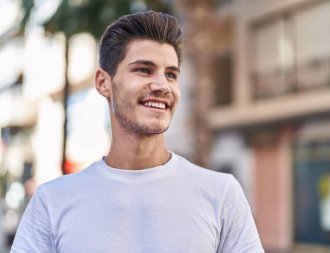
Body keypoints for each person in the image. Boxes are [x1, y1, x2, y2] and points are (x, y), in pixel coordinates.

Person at [11, 11, 264, 253]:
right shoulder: (52, 202)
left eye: (171, 74)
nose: (162, 86)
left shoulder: (221, 194)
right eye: (143, 69)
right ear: (103, 82)